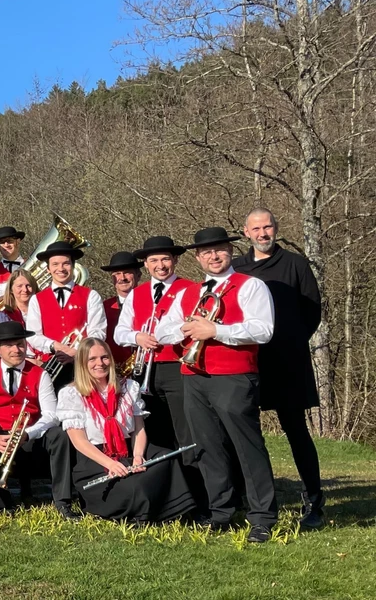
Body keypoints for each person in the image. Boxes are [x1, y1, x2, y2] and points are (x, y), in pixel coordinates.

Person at [155, 227, 278, 543]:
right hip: (193, 376)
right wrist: (187, 328)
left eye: (219, 249)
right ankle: (221, 512)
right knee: (207, 447)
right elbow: (163, 330)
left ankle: (262, 517)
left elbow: (263, 330)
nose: (214, 256)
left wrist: (216, 330)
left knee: (246, 447)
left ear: (230, 251)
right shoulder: (188, 293)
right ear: (197, 258)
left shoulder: (251, 286)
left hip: (234, 377)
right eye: (206, 252)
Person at [232, 208, 326, 529]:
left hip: (288, 363)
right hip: (247, 363)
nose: (263, 233)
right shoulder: (236, 268)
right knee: (242, 432)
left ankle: (314, 502)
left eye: (268, 227)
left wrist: (289, 341)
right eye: (256, 228)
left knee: (296, 431)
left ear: (276, 228)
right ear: (246, 232)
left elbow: (312, 311)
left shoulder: (296, 264)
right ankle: (245, 499)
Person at [59, 338, 195, 523]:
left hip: (129, 450)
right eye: (92, 359)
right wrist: (110, 464)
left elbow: (138, 429)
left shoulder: (129, 387)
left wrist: (138, 456)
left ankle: (175, 511)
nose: (100, 363)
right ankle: (147, 512)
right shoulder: (71, 394)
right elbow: (79, 441)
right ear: (82, 363)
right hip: (96, 459)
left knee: (168, 459)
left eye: (104, 357)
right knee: (135, 485)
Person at [113, 236, 201, 501]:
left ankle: (196, 492)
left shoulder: (190, 288)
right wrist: (137, 337)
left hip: (177, 368)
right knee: (154, 433)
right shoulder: (136, 294)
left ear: (175, 260)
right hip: (145, 371)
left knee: (186, 431)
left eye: (165, 259)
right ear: (146, 264)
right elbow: (119, 333)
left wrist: (166, 335)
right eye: (154, 260)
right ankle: (166, 492)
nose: (160, 265)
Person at [0, 321, 67, 514]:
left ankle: (63, 501)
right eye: (9, 345)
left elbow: (51, 414)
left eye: (20, 344)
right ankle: (1, 502)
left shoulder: (41, 374)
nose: (16, 350)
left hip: (30, 435)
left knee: (59, 436)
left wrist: (28, 434)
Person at [24, 241, 105, 387]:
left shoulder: (91, 295)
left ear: (73, 266)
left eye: (66, 263)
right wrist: (55, 346)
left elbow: (98, 331)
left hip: (84, 365)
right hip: (50, 366)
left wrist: (77, 352)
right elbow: (33, 335)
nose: (60, 269)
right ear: (48, 269)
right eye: (55, 264)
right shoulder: (36, 299)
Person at [99, 251, 142, 372]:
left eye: (127, 272)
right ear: (112, 278)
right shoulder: (103, 307)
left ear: (138, 275)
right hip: (113, 369)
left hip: (145, 366)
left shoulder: (150, 303)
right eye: (117, 273)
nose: (122, 278)